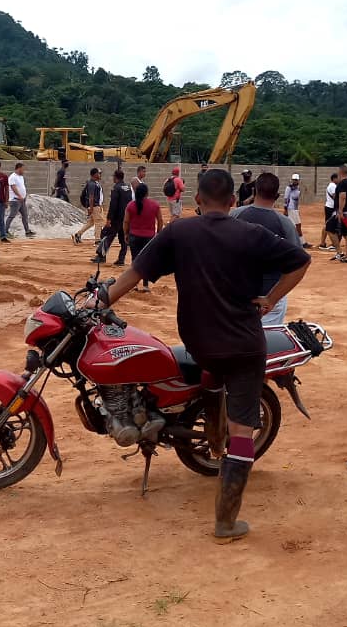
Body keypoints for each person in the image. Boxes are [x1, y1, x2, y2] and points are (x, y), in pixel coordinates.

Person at [99, 169, 311, 542]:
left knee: (205, 371)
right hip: (245, 346)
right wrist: (271, 299)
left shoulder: (180, 232)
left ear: (197, 199)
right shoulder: (251, 233)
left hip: (200, 343)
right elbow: (300, 261)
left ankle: (207, 429)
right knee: (243, 433)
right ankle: (226, 522)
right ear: (233, 202)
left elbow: (132, 275)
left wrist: (99, 305)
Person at [232, 171, 303, 326]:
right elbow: (300, 263)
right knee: (267, 345)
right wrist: (273, 298)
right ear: (276, 196)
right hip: (270, 296)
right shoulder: (284, 223)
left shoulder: (235, 216)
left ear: (254, 191)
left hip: (237, 294)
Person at [122, 182, 163, 291]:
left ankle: (133, 284)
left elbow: (126, 221)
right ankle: (145, 285)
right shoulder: (154, 205)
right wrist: (158, 233)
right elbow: (160, 221)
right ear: (147, 193)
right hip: (149, 237)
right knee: (146, 261)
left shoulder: (131, 205)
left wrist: (126, 233)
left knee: (135, 260)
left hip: (134, 235)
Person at [96, 169, 133, 266]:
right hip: (126, 218)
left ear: (116, 177)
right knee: (123, 238)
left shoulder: (116, 188)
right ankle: (121, 259)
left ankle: (101, 256)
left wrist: (109, 219)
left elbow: (113, 205)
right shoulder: (128, 188)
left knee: (106, 235)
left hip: (116, 218)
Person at [73, 167, 104, 245]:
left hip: (94, 206)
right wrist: (90, 207)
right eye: (99, 173)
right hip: (94, 206)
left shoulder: (94, 183)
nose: (100, 175)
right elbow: (91, 196)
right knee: (99, 222)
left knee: (91, 222)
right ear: (95, 174)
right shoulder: (92, 184)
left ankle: (78, 234)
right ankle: (97, 240)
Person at [6, 161, 37, 237]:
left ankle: (27, 231)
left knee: (25, 215)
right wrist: (19, 195)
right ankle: (5, 231)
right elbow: (13, 187)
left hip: (22, 200)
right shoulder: (12, 177)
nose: (24, 171)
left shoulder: (21, 177)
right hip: (15, 200)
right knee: (12, 216)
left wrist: (23, 196)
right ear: (19, 168)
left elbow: (21, 187)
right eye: (23, 169)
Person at [283, 174, 310, 248]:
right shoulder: (289, 188)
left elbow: (305, 192)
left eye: (296, 180)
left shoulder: (298, 187)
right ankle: (302, 243)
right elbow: (286, 198)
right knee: (296, 226)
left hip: (295, 209)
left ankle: (301, 242)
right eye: (294, 180)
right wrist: (285, 209)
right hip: (291, 209)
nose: (295, 181)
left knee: (296, 226)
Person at [318, 172, 339, 250]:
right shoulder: (333, 186)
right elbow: (335, 197)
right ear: (334, 179)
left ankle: (323, 243)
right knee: (329, 225)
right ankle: (327, 243)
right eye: (338, 178)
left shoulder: (332, 185)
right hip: (331, 208)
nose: (339, 179)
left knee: (328, 224)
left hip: (329, 207)